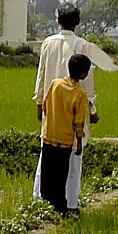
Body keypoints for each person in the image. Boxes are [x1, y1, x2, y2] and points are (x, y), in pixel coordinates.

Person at [32, 3, 118, 214]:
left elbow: (41, 76)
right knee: (73, 159)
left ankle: (39, 201)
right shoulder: (83, 46)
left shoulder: (47, 43)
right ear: (77, 22)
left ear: (58, 20)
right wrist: (92, 110)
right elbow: (87, 84)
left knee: (46, 156)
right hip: (74, 109)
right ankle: (70, 203)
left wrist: (39, 105)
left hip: (52, 108)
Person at [37, 53, 92, 215]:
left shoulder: (55, 84)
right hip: (64, 142)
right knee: (60, 179)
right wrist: (80, 143)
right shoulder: (79, 94)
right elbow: (79, 123)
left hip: (48, 138)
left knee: (47, 178)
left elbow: (45, 106)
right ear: (84, 74)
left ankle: (44, 208)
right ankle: (60, 210)